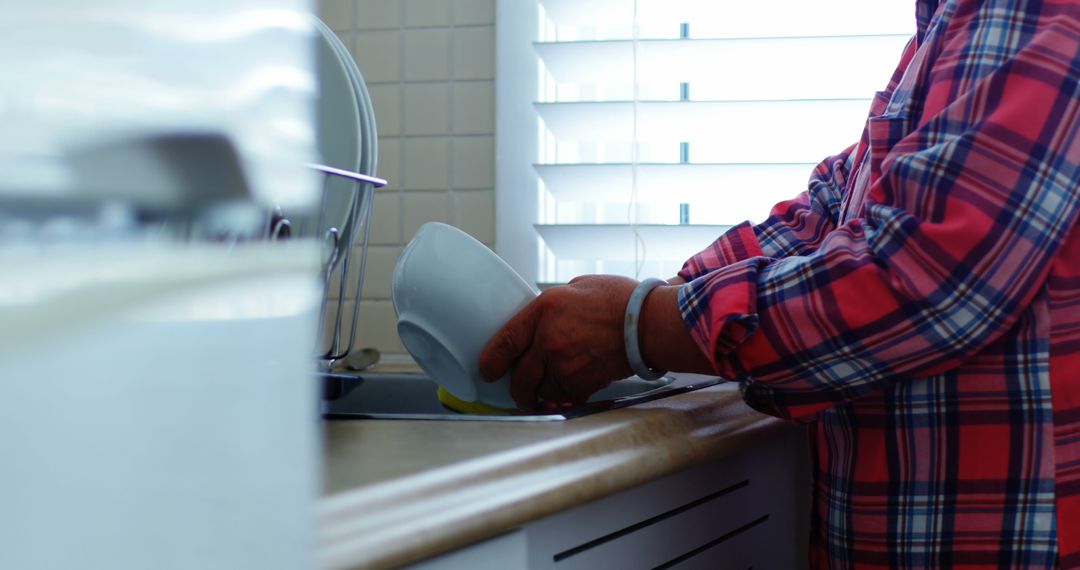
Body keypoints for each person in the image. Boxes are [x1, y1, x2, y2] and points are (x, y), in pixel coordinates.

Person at [479, 0, 1080, 566]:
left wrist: (640, 325)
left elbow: (927, 277)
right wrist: (643, 308)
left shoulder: (1024, 10)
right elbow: (825, 214)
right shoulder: (951, 25)